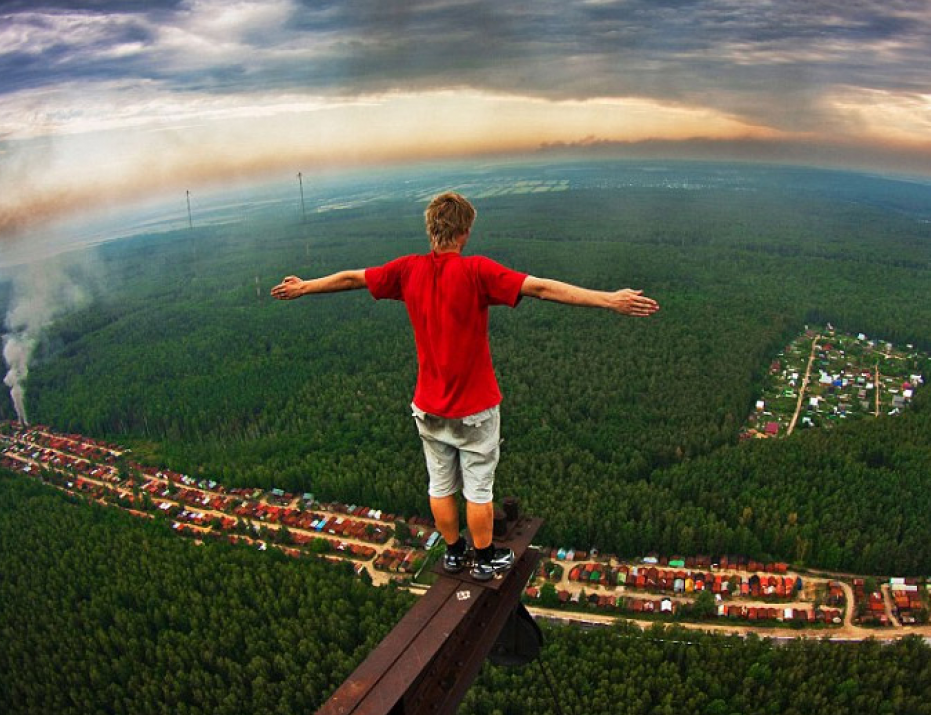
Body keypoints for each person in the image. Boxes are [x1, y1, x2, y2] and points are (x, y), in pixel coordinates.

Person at [272, 192, 658, 580]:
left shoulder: (407, 270)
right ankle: (485, 559)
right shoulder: (476, 271)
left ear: (431, 229)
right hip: (475, 409)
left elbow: (352, 278)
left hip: (427, 406)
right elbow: (540, 288)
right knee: (478, 489)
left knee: (440, 485)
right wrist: (609, 300)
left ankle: (455, 554)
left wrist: (305, 286)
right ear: (466, 232)